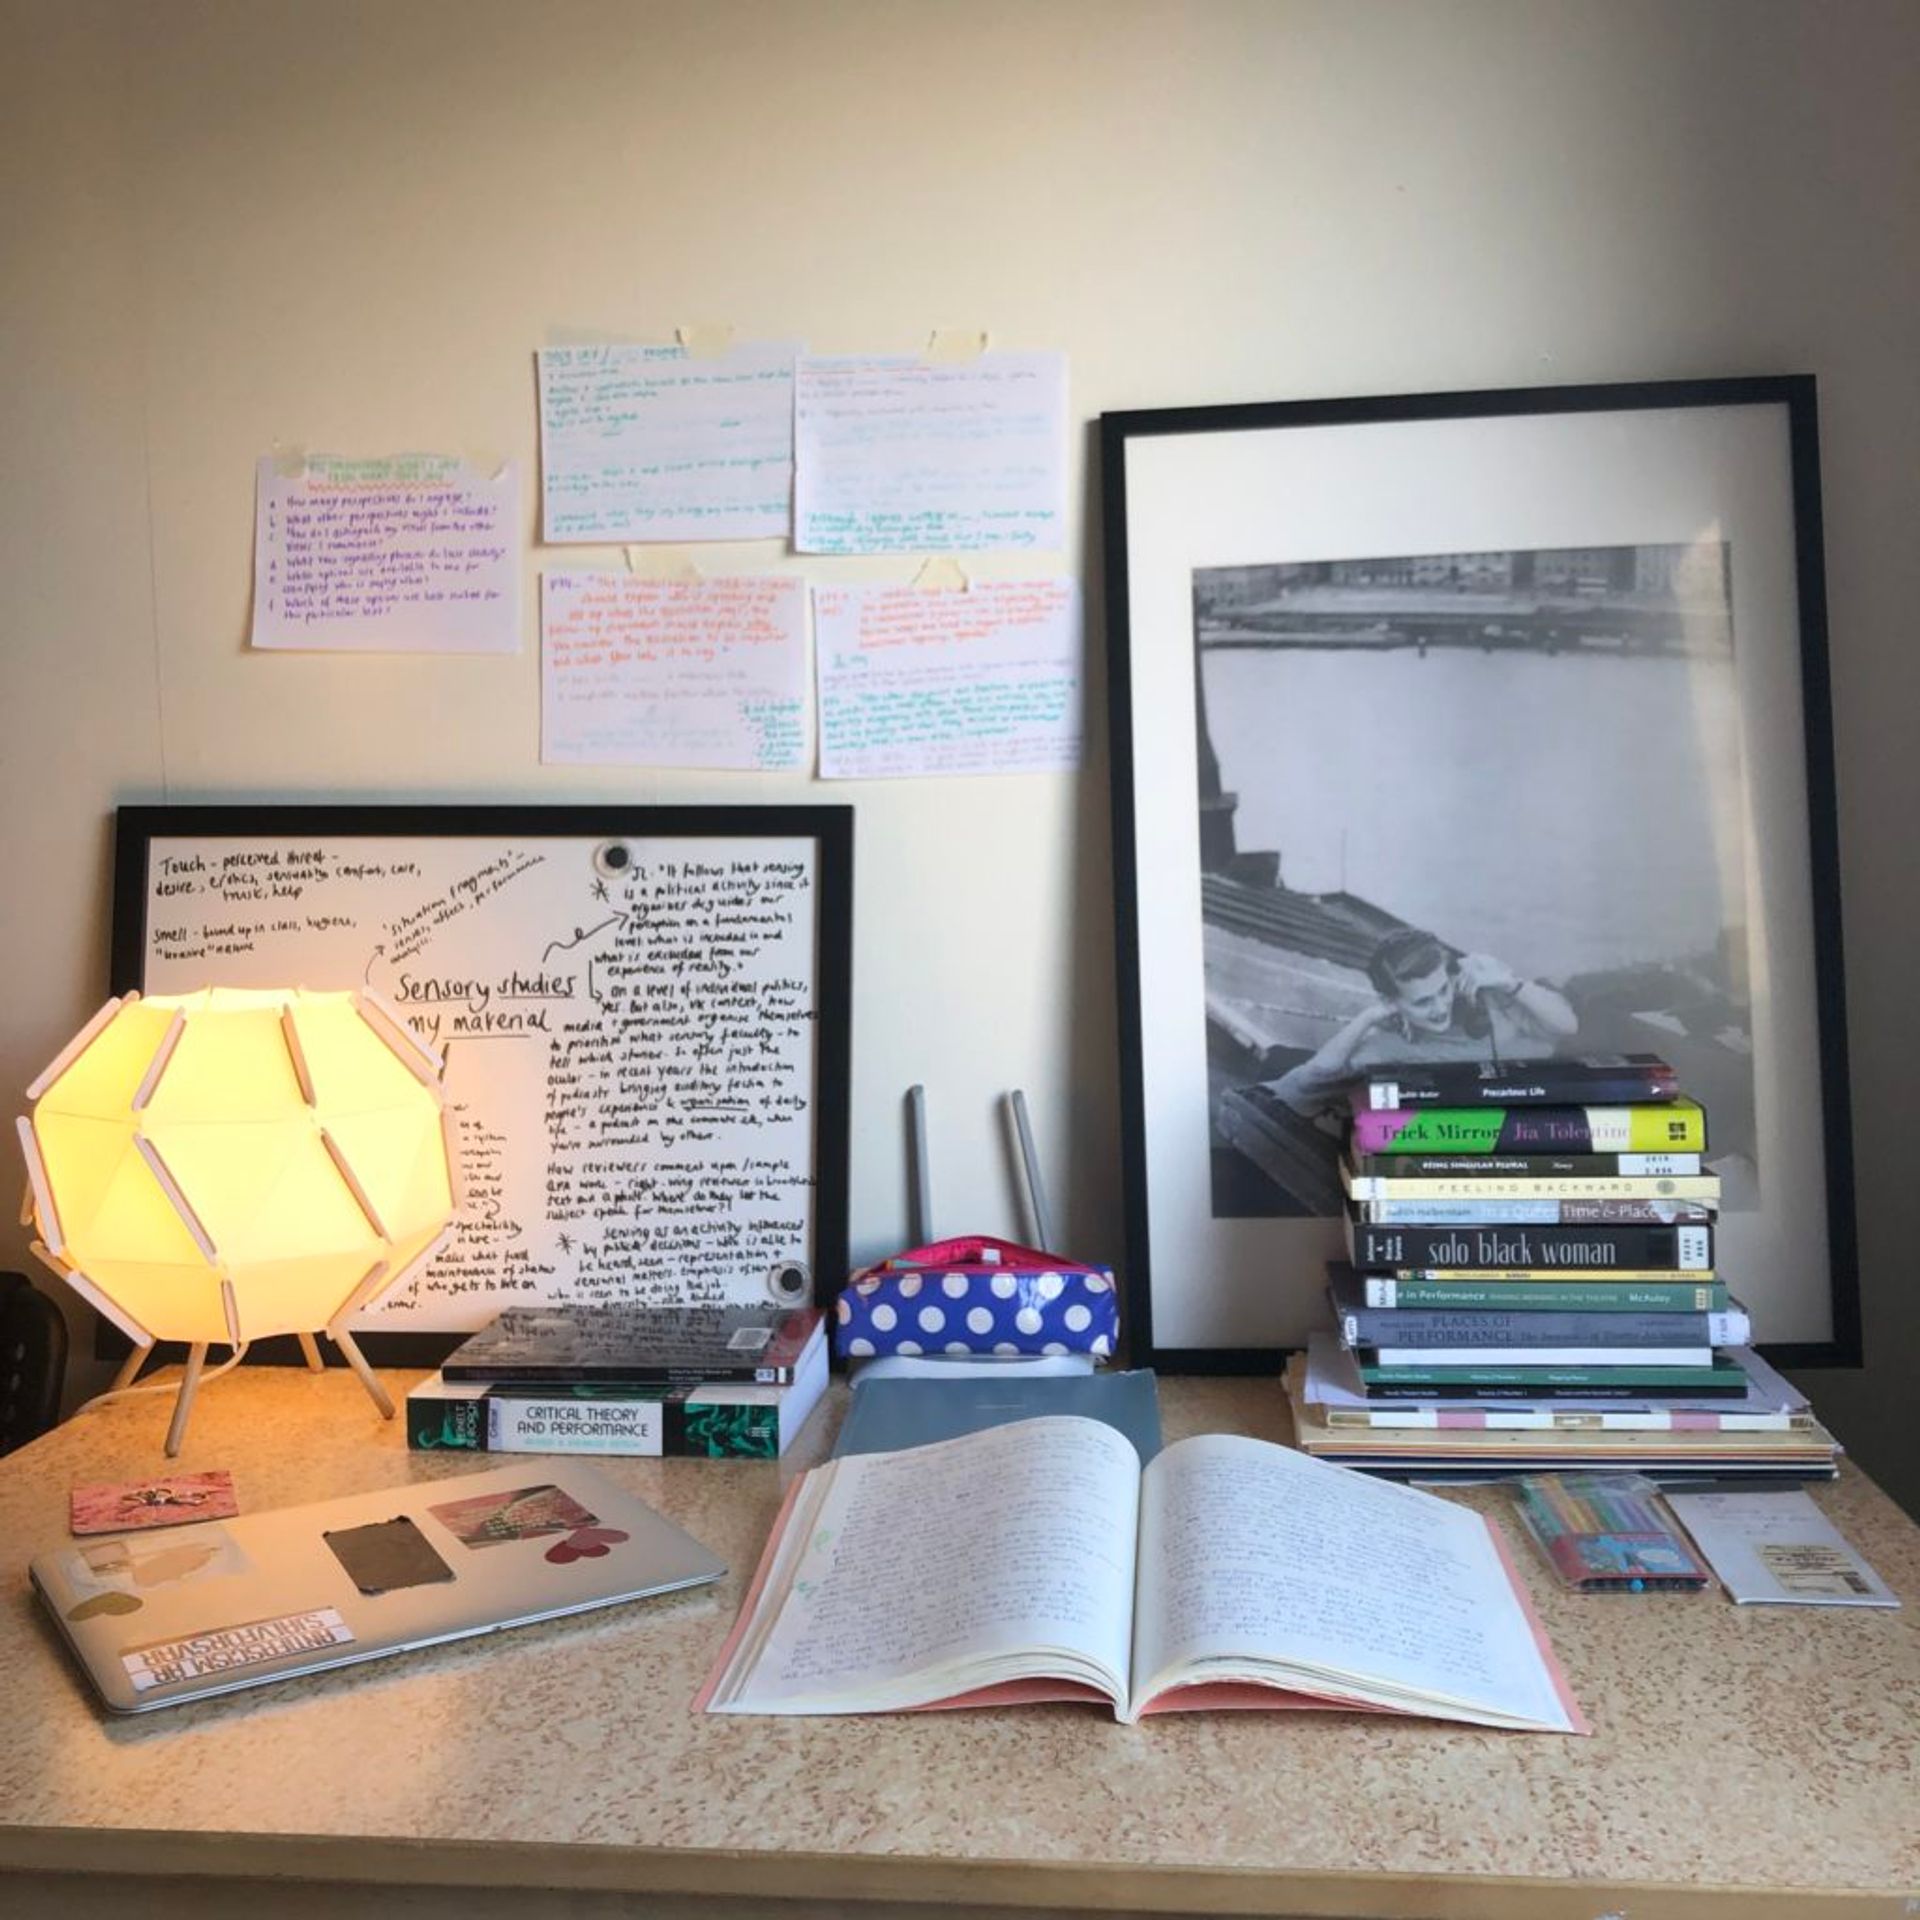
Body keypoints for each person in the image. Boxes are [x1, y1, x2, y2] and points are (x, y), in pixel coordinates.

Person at [1269, 926, 1577, 1116]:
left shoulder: (1487, 999)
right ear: (1392, 1002)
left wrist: (1509, 982)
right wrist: (1367, 1018)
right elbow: (1301, 1086)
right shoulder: (1386, 1045)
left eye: (1443, 990)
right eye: (1422, 1002)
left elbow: (1567, 1026)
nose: (1440, 1007)